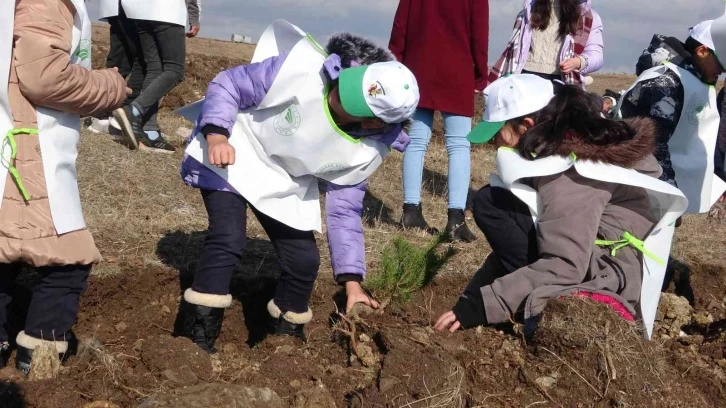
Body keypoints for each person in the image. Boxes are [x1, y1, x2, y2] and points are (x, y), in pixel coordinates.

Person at [174, 21, 419, 352]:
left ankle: (283, 344)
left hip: (284, 179)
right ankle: (195, 340)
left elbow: (344, 211)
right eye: (347, 86)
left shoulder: (365, 149)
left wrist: (352, 283)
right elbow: (230, 83)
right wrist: (217, 132)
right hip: (234, 151)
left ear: (374, 122)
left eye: (351, 103)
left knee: (304, 261)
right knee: (228, 238)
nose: (336, 93)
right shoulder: (303, 70)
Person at [434, 75, 686, 338]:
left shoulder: (571, 171)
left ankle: (553, 305)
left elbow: (565, 265)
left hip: (606, 280)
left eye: (497, 134)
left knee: (492, 203)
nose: (493, 144)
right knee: (497, 200)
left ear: (526, 127)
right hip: (603, 259)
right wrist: (471, 300)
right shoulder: (579, 140)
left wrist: (481, 306)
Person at [0, 0, 128, 374]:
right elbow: (43, 77)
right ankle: (37, 368)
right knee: (67, 261)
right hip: (27, 150)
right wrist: (110, 86)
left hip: (15, 142)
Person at [388, 0, 489, 241]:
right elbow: (479, 35)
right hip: (457, 70)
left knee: (416, 142)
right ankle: (455, 221)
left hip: (417, 68)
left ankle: (410, 212)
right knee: (458, 146)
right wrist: (480, 76)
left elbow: (400, 25)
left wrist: (396, 65)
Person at [617, 18, 726, 211]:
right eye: (720, 65)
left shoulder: (693, 81)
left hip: (654, 181)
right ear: (702, 51)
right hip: (638, 183)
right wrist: (668, 194)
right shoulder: (666, 83)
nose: (721, 72)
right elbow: (653, 143)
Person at [112, 0, 201, 153]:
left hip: (139, 12)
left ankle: (149, 130)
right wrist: (194, 18)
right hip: (167, 11)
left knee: (154, 69)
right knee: (175, 70)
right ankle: (133, 111)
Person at [489, 0, 603, 86]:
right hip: (524, 81)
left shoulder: (587, 17)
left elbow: (596, 55)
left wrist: (578, 62)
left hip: (561, 84)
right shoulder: (527, 12)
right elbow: (513, 51)